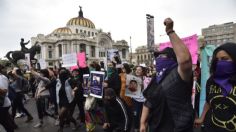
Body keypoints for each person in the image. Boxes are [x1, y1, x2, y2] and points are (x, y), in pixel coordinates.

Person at [140, 18, 194, 132]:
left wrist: (170, 31)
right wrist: (142, 123)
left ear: (173, 60)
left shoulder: (180, 76)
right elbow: (148, 102)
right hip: (155, 128)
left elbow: (185, 60)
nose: (159, 60)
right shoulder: (156, 78)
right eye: (158, 57)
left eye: (163, 57)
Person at [194, 43, 236, 132]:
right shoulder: (212, 80)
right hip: (210, 128)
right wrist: (201, 118)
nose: (220, 63)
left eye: (225, 59)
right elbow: (209, 102)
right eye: (217, 60)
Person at [0, 64, 15, 132]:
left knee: (5, 122)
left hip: (2, 104)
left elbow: (4, 91)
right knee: (6, 121)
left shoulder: (2, 78)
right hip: (3, 105)